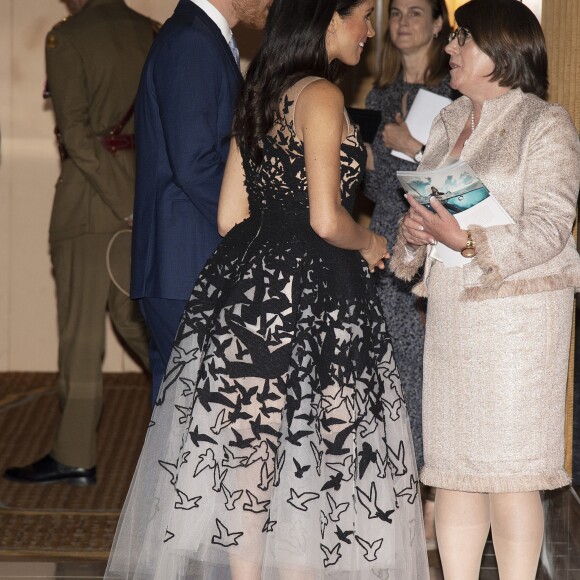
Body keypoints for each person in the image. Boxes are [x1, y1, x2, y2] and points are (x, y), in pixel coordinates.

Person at [105, 0, 429, 577]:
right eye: (362, 18)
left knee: (250, 459)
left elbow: (231, 215)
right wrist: (371, 244)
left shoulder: (261, 90)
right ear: (329, 18)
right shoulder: (323, 97)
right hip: (317, 292)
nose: (370, 32)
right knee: (317, 454)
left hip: (247, 293)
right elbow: (327, 219)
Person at [391, 0, 580, 578]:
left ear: (500, 51)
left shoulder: (545, 123)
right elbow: (425, 218)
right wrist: (416, 231)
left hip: (519, 325)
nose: (448, 49)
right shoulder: (446, 121)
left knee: (512, 473)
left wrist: (468, 240)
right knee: (454, 471)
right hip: (453, 319)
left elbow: (551, 228)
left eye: (460, 39)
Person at [3, 0, 152, 486]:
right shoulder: (151, 32)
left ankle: (74, 455)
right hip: (139, 191)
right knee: (138, 323)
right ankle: (199, 405)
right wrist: (137, 201)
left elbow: (77, 135)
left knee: (81, 335)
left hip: (89, 202)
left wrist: (117, 201)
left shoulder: (66, 38)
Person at [130, 0, 269, 407]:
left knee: (179, 425)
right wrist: (258, 226)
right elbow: (195, 165)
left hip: (188, 263)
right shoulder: (192, 39)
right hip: (186, 264)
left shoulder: (204, 36)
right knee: (199, 425)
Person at [364, 0, 453, 473]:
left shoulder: (454, 96)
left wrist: (412, 148)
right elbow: (375, 187)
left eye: (415, 12)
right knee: (388, 363)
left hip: (435, 236)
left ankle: (433, 491)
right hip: (384, 232)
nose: (402, 22)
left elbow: (463, 182)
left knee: (428, 366)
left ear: (439, 25)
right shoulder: (379, 96)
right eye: (395, 12)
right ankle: (396, 482)